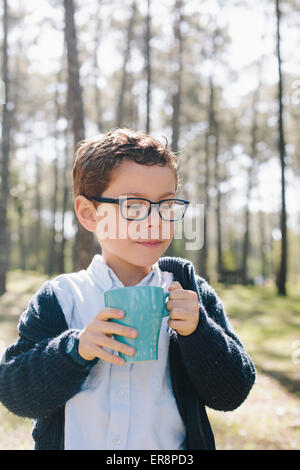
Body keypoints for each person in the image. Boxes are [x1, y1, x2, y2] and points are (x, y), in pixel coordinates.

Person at [0, 128, 256, 450]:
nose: (155, 221)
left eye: (166, 205)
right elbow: (15, 392)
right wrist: (75, 350)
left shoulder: (189, 293)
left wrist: (198, 332)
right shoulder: (62, 299)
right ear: (88, 214)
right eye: (133, 206)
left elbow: (233, 392)